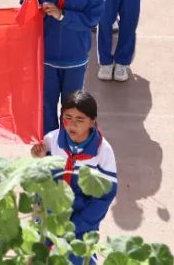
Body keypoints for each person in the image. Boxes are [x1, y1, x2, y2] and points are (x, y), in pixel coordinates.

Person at [29, 91, 118, 247]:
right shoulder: (51, 139)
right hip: (48, 209)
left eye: (80, 119)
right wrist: (41, 158)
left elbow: (105, 195)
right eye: (68, 117)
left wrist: (79, 223)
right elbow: (41, 179)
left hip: (82, 216)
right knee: (37, 250)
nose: (72, 124)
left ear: (92, 122)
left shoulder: (103, 151)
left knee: (77, 255)